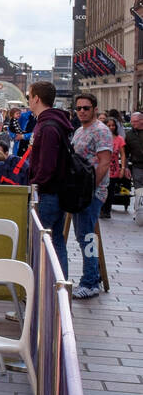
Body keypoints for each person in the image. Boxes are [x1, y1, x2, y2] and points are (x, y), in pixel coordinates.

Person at [69, 92, 114, 299]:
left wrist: (90, 188)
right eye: (78, 108)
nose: (82, 112)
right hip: (79, 190)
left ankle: (90, 282)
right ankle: (92, 276)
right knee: (82, 235)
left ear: (95, 109)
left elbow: (104, 162)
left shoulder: (101, 131)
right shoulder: (79, 130)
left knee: (87, 236)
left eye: (86, 108)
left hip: (93, 191)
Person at [126, 112, 143, 213]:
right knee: (139, 189)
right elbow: (126, 152)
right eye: (131, 121)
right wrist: (126, 167)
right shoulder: (129, 135)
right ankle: (139, 211)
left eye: (135, 121)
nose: (133, 123)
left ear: (142, 120)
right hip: (137, 165)